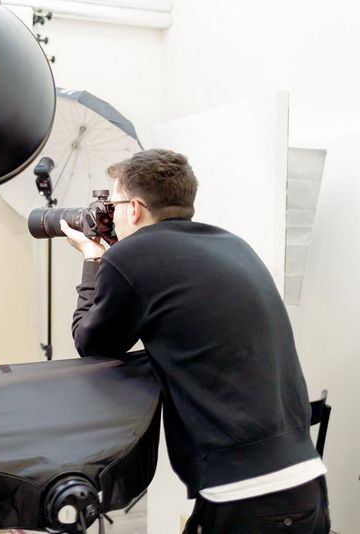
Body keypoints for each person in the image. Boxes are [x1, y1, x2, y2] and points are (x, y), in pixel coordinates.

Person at [61, 149, 329, 533]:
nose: (111, 214)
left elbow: (92, 343)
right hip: (305, 477)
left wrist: (94, 260)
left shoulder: (132, 254)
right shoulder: (233, 244)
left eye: (113, 204)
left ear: (134, 208)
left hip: (244, 493)